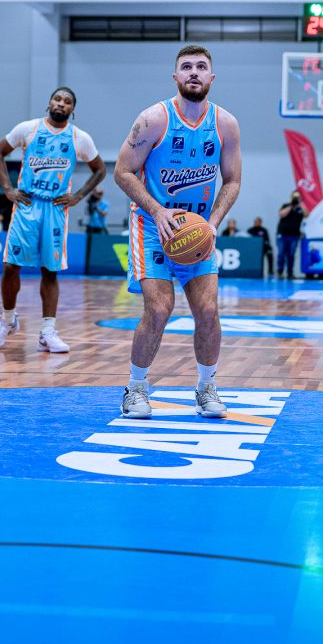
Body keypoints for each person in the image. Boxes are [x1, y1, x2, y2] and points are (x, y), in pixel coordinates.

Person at [114, 45, 241, 420]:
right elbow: (121, 172)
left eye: (201, 67)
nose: (194, 72)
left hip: (197, 232)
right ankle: (136, 388)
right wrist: (157, 210)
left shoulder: (226, 124)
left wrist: (213, 222)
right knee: (158, 309)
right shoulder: (153, 119)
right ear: (175, 77)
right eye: (186, 67)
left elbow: (233, 180)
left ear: (211, 77)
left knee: (208, 311)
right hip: (152, 226)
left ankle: (206, 387)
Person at [0, 87, 105, 354]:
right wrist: (7, 188)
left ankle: (47, 332)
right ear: (49, 102)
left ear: (73, 109)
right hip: (27, 205)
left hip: (55, 208)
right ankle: (7, 321)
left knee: (50, 271)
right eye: (57, 99)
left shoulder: (79, 138)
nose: (61, 104)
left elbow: (100, 170)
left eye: (67, 101)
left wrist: (78, 196)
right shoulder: (28, 129)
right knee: (10, 266)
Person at [276, 189, 305, 279]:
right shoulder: (286, 205)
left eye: (298, 196)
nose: (296, 198)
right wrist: (291, 205)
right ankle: (280, 272)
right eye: (295, 196)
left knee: (291, 255)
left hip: (294, 236)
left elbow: (307, 215)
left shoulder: (301, 208)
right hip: (282, 235)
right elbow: (281, 214)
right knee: (281, 254)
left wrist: (301, 204)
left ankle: (290, 273)